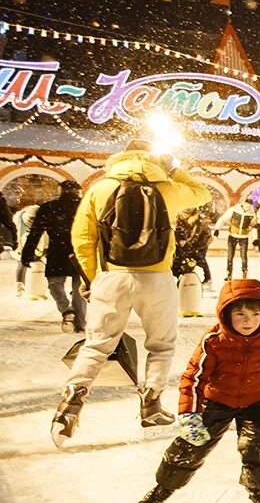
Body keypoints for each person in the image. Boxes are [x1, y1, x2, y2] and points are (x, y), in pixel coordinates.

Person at [50, 138, 212, 445]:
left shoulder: (101, 188)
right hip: (157, 278)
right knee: (161, 345)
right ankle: (151, 404)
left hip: (113, 276)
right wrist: (174, 169)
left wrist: (94, 279)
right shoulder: (166, 188)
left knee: (97, 346)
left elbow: (82, 239)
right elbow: (202, 193)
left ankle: (70, 404)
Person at [136, 279, 260, 503]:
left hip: (256, 401)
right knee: (190, 446)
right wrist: (190, 415)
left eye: (255, 314)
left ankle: (258, 488)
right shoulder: (214, 340)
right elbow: (193, 377)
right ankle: (163, 488)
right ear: (226, 314)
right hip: (217, 401)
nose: (248, 321)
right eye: (240, 314)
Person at [21, 180, 87, 332]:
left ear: (60, 191)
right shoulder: (84, 206)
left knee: (55, 284)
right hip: (80, 251)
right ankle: (80, 321)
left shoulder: (48, 208)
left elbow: (36, 232)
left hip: (57, 251)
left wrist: (27, 254)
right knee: (79, 286)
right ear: (78, 192)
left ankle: (66, 310)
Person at [172, 206, 213, 289]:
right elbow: (178, 229)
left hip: (203, 239)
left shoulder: (199, 221)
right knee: (181, 256)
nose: (184, 217)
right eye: (183, 214)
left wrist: (187, 244)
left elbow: (195, 235)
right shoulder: (179, 218)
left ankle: (207, 278)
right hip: (188, 239)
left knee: (199, 257)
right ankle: (181, 276)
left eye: (186, 215)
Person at [219, 196, 257, 280]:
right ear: (243, 203)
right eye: (246, 205)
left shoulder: (252, 213)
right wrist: (217, 228)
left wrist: (255, 238)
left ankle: (244, 272)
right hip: (232, 235)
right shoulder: (234, 209)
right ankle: (229, 273)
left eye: (249, 206)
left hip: (244, 237)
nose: (247, 207)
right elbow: (223, 219)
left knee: (243, 256)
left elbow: (254, 226)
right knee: (230, 256)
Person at [12, 200, 37, 296]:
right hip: (23, 244)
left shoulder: (19, 218)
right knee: (22, 264)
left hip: (29, 243)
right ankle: (20, 286)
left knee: (22, 265)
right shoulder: (19, 220)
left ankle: (29, 286)